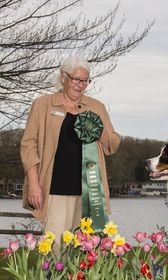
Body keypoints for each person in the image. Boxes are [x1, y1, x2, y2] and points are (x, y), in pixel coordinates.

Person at [20, 55, 121, 252]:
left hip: (90, 194)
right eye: (76, 79)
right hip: (54, 190)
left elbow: (113, 144)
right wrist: (33, 183)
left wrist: (99, 130)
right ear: (63, 77)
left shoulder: (96, 107)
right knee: (56, 251)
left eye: (85, 80)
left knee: (89, 253)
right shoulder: (43, 105)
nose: (81, 85)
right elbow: (28, 145)